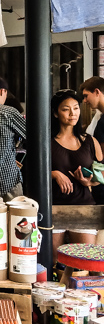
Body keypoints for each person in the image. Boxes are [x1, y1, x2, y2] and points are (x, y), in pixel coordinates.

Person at [51, 89, 103, 252]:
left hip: (84, 208)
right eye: (66, 109)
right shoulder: (46, 142)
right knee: (53, 263)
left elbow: (102, 174)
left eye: (76, 107)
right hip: (52, 208)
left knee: (85, 263)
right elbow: (28, 173)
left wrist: (90, 181)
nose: (72, 113)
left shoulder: (90, 141)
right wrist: (53, 174)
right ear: (56, 113)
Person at [80, 76, 104, 144]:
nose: (84, 101)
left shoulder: (102, 120)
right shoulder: (98, 115)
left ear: (97, 92)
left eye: (86, 96)